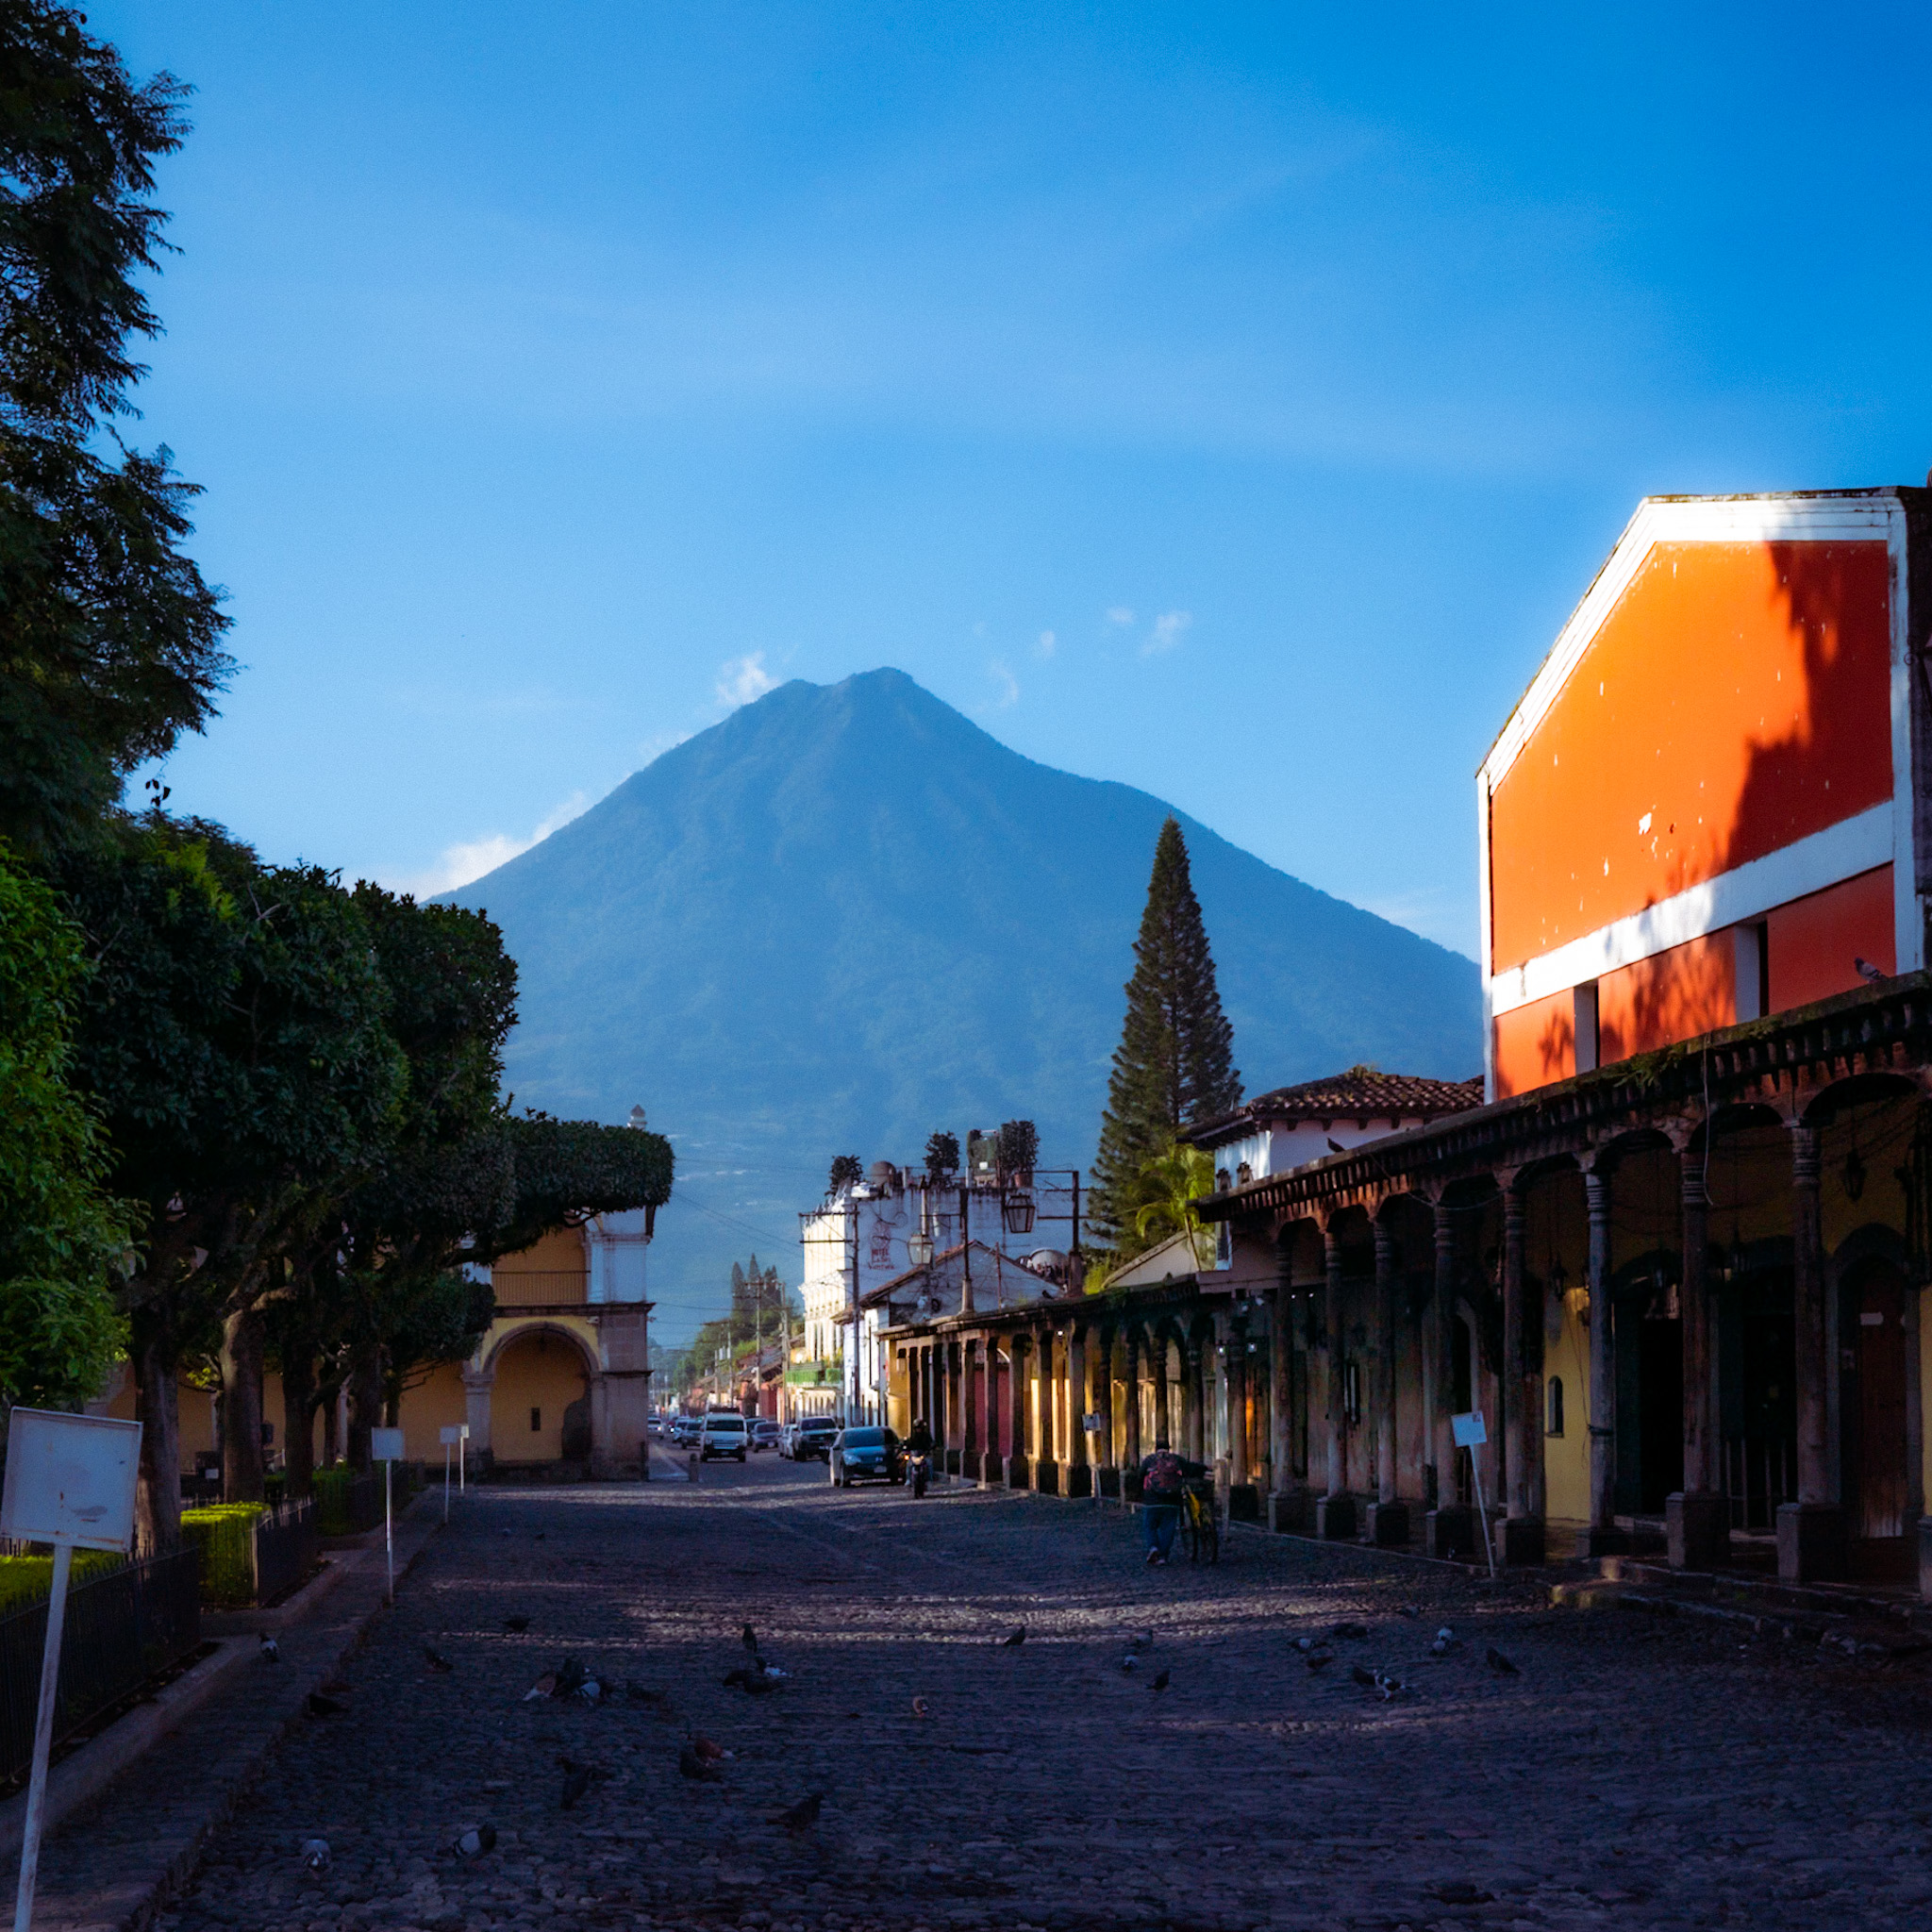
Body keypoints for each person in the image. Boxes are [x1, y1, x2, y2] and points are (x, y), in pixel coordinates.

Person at [1139, 1437, 1185, 1566]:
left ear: (1156, 1449)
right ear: (1169, 1448)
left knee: (1150, 1526)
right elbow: (1190, 1468)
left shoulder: (1149, 1460)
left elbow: (1140, 1475)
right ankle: (1163, 1556)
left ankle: (1153, 1547)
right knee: (1168, 1528)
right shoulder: (1176, 1459)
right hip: (1172, 1501)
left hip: (1152, 1500)